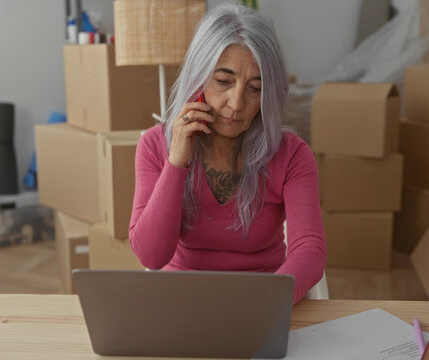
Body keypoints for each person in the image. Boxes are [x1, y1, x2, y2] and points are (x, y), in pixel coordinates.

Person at [129, 3, 326, 303]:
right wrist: (177, 162)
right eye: (223, 82)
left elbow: (309, 249)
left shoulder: (292, 154)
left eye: (255, 88)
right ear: (198, 80)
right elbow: (151, 256)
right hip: (179, 303)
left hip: (262, 299)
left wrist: (270, 302)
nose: (236, 103)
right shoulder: (155, 146)